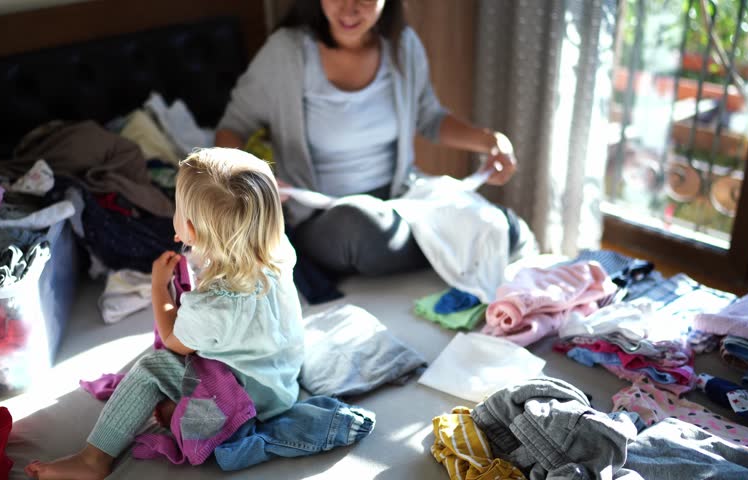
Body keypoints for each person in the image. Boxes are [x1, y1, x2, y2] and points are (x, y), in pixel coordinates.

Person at [25, 148, 304, 480]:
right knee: (175, 375)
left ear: (190, 229)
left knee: (150, 367)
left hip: (246, 403)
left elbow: (174, 342)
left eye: (178, 209)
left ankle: (92, 460)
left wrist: (159, 288)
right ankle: (181, 412)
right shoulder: (277, 249)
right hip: (280, 379)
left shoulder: (216, 302)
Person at [215, 0, 521, 277]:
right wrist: (252, 176)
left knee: (495, 224)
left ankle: (478, 230)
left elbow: (429, 117)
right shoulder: (286, 53)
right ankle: (466, 238)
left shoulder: (402, 46)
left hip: (399, 198)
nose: (349, 9)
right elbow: (232, 127)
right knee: (358, 228)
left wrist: (491, 142)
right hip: (326, 216)